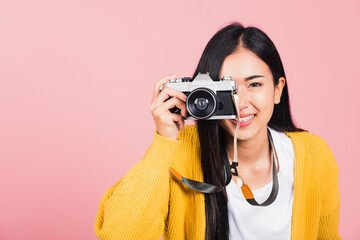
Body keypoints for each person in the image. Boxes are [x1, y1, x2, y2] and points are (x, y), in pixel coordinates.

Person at [94, 22, 341, 240]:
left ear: (277, 90)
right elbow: (119, 235)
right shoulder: (178, 151)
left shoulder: (313, 154)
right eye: (227, 88)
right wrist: (164, 142)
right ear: (204, 92)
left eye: (254, 84)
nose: (240, 103)